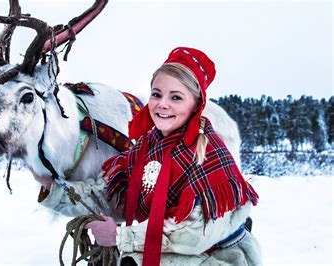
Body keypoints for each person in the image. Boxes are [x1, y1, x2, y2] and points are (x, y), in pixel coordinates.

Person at [84, 47, 261, 265]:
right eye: (157, 94)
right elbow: (110, 193)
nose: (162, 104)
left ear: (196, 105)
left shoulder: (207, 153)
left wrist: (119, 237)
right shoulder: (148, 147)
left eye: (176, 97)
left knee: (131, 260)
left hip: (221, 257)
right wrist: (58, 191)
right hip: (184, 255)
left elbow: (194, 234)